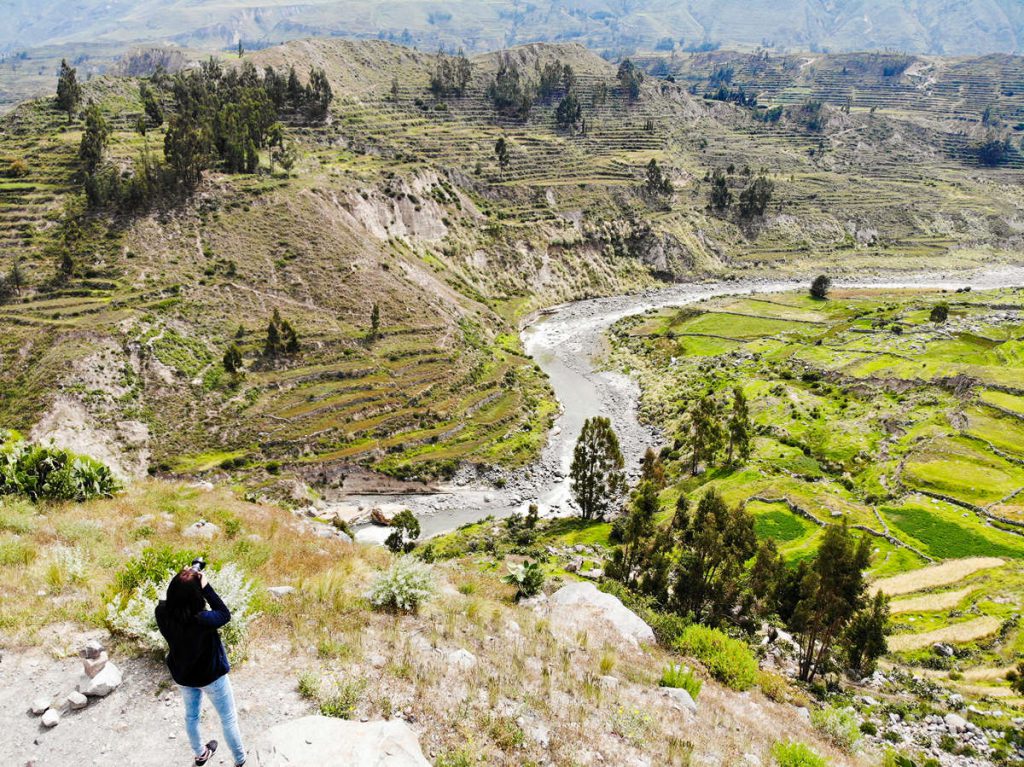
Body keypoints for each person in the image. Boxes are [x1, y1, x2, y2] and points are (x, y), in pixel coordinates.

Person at [156, 565, 246, 767]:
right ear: (196, 595)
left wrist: (185, 579)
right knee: (228, 718)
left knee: (192, 717)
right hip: (211, 677)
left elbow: (176, 599)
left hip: (183, 675)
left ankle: (201, 754)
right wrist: (205, 586)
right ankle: (240, 760)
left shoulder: (161, 612)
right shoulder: (203, 620)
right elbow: (224, 613)